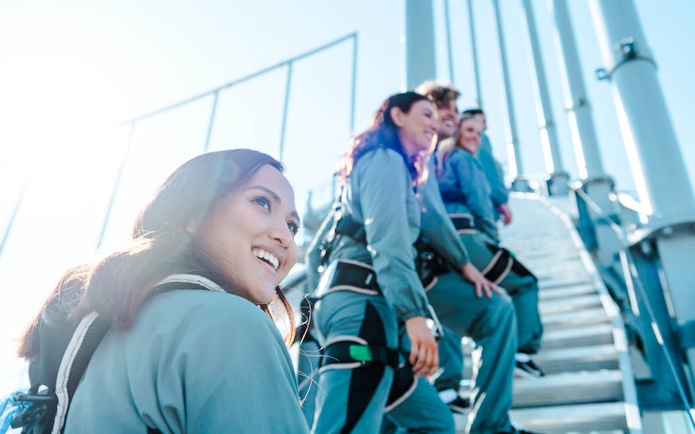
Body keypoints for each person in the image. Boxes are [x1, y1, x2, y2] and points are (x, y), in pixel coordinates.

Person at [16, 149, 310, 433]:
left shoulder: (110, 333)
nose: (284, 236)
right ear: (193, 213)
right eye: (261, 202)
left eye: (292, 225)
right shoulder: (231, 323)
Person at [308, 92, 456, 433]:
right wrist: (414, 315)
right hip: (364, 309)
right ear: (398, 116)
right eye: (426, 114)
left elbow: (316, 251)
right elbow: (388, 242)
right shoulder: (386, 160)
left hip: (368, 309)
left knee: (435, 423)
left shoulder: (375, 166)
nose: (435, 124)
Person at [415, 81, 525, 434]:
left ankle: (481, 416)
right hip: (415, 267)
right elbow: (430, 214)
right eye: (436, 107)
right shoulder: (416, 154)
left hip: (435, 260)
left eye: (451, 109)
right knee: (504, 301)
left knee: (495, 309)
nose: (448, 114)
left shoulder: (444, 155)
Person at [437, 113, 545, 377]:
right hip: (468, 241)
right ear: (457, 134)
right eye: (469, 130)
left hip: (441, 245)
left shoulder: (439, 163)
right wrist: (489, 239)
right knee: (524, 283)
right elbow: (479, 202)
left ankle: (448, 382)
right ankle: (522, 351)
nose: (475, 136)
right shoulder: (464, 159)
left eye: (479, 133)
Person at [461, 108, 512, 226]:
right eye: (481, 121)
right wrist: (501, 201)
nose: (484, 127)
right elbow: (490, 171)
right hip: (483, 210)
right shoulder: (480, 139)